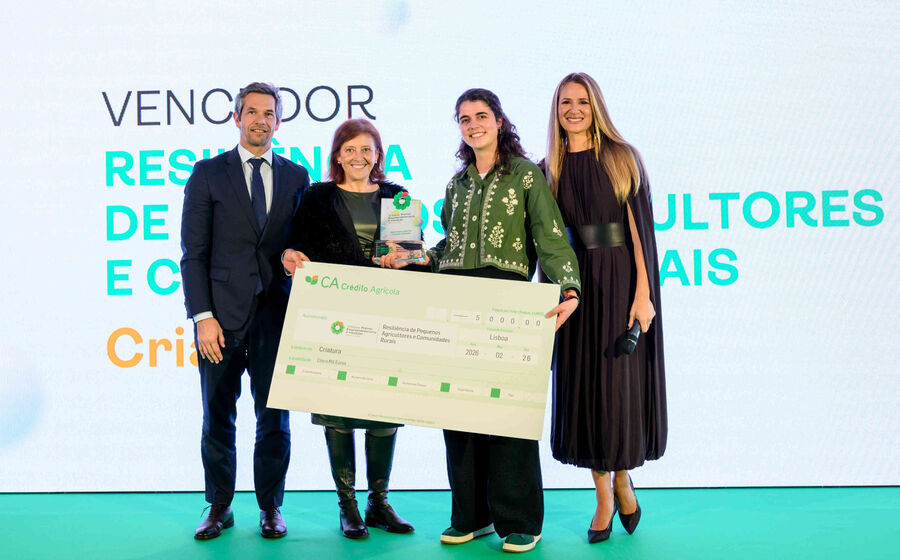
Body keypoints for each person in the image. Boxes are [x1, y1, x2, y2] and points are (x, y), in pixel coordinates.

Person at [384, 88, 581, 554]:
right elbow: (447, 248)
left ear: (499, 121)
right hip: (456, 297)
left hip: (507, 298)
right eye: (464, 119)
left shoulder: (526, 175)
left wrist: (569, 288)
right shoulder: (456, 185)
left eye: (481, 116)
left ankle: (520, 520)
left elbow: (550, 235)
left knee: (508, 412)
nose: (473, 125)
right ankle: (471, 516)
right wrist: (410, 256)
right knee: (458, 413)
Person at [180, 82, 310, 540]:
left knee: (274, 418)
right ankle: (219, 505)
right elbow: (193, 253)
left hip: (277, 315)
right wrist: (202, 317)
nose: (260, 120)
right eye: (252, 112)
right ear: (237, 118)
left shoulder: (297, 177)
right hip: (220, 319)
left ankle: (271, 507)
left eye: (269, 113)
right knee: (217, 415)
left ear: (279, 121)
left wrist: (296, 254)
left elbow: (301, 242)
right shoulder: (207, 173)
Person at [543, 72, 667, 543]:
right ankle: (603, 493)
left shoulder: (621, 156)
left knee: (615, 389)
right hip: (574, 288)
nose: (573, 110)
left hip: (619, 282)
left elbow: (640, 232)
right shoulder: (548, 167)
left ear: (595, 106)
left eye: (582, 101)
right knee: (585, 389)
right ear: (556, 110)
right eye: (565, 102)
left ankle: (621, 479)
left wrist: (643, 294)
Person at [281, 119, 417, 540]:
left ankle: (379, 503)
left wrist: (406, 258)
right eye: (350, 149)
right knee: (338, 411)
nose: (359, 157)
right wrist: (290, 255)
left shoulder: (398, 197)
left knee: (385, 411)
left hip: (387, 318)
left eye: (367, 149)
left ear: (378, 155)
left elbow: (413, 255)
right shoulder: (317, 197)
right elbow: (297, 246)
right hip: (334, 319)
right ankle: (348, 506)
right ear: (337, 155)